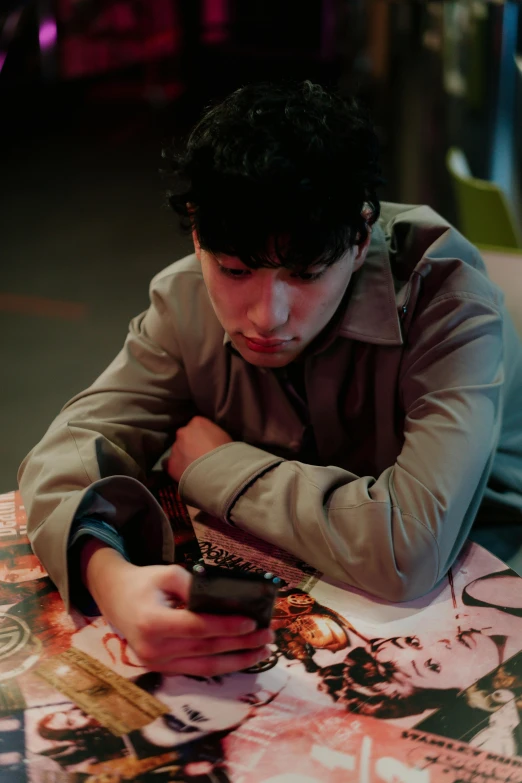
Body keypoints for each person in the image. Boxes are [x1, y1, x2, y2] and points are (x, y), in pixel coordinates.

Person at [18, 81, 522, 677]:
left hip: (480, 594)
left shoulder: (451, 304)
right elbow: (68, 450)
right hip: (303, 597)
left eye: (306, 273)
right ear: (199, 235)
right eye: (234, 270)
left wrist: (216, 464)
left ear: (360, 240)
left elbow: (405, 550)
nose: (266, 316)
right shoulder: (184, 300)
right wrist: (112, 580)